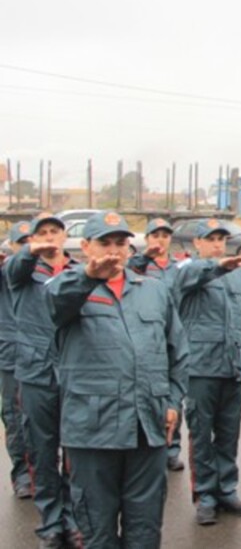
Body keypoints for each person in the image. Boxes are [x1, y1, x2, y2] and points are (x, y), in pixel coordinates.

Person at [46, 211, 188, 549]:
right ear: (84, 247)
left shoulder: (153, 290)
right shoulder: (66, 288)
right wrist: (88, 276)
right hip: (93, 430)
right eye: (104, 243)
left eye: (120, 243)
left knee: (145, 526)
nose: (113, 251)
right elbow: (54, 304)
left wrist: (171, 402)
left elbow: (176, 352)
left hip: (147, 426)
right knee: (97, 528)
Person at [175, 218, 241, 525]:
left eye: (222, 238)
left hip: (231, 366)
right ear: (197, 243)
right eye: (210, 239)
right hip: (200, 368)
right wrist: (218, 266)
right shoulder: (187, 271)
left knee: (228, 433)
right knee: (201, 435)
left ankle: (226, 489)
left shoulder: (240, 276)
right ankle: (205, 495)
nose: (218, 244)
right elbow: (190, 277)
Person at [7, 213, 80, 547]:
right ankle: (51, 521)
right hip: (36, 374)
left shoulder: (79, 271)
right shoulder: (22, 272)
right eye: (42, 233)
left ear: (65, 236)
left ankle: (75, 519)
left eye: (55, 231)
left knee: (77, 452)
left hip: (75, 372)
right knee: (42, 451)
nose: (50, 238)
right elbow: (15, 267)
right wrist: (32, 250)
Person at [128, 217, 187, 471]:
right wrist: (145, 256)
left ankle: (172, 447)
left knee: (173, 393)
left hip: (171, 333)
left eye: (165, 235)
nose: (160, 240)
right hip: (145, 335)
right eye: (155, 235)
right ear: (148, 239)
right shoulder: (140, 266)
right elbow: (128, 269)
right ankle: (151, 443)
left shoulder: (179, 267)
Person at [0, 221, 32, 500]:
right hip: (11, 356)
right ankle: (22, 474)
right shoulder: (5, 273)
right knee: (14, 417)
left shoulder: (47, 274)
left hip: (45, 358)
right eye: (21, 243)